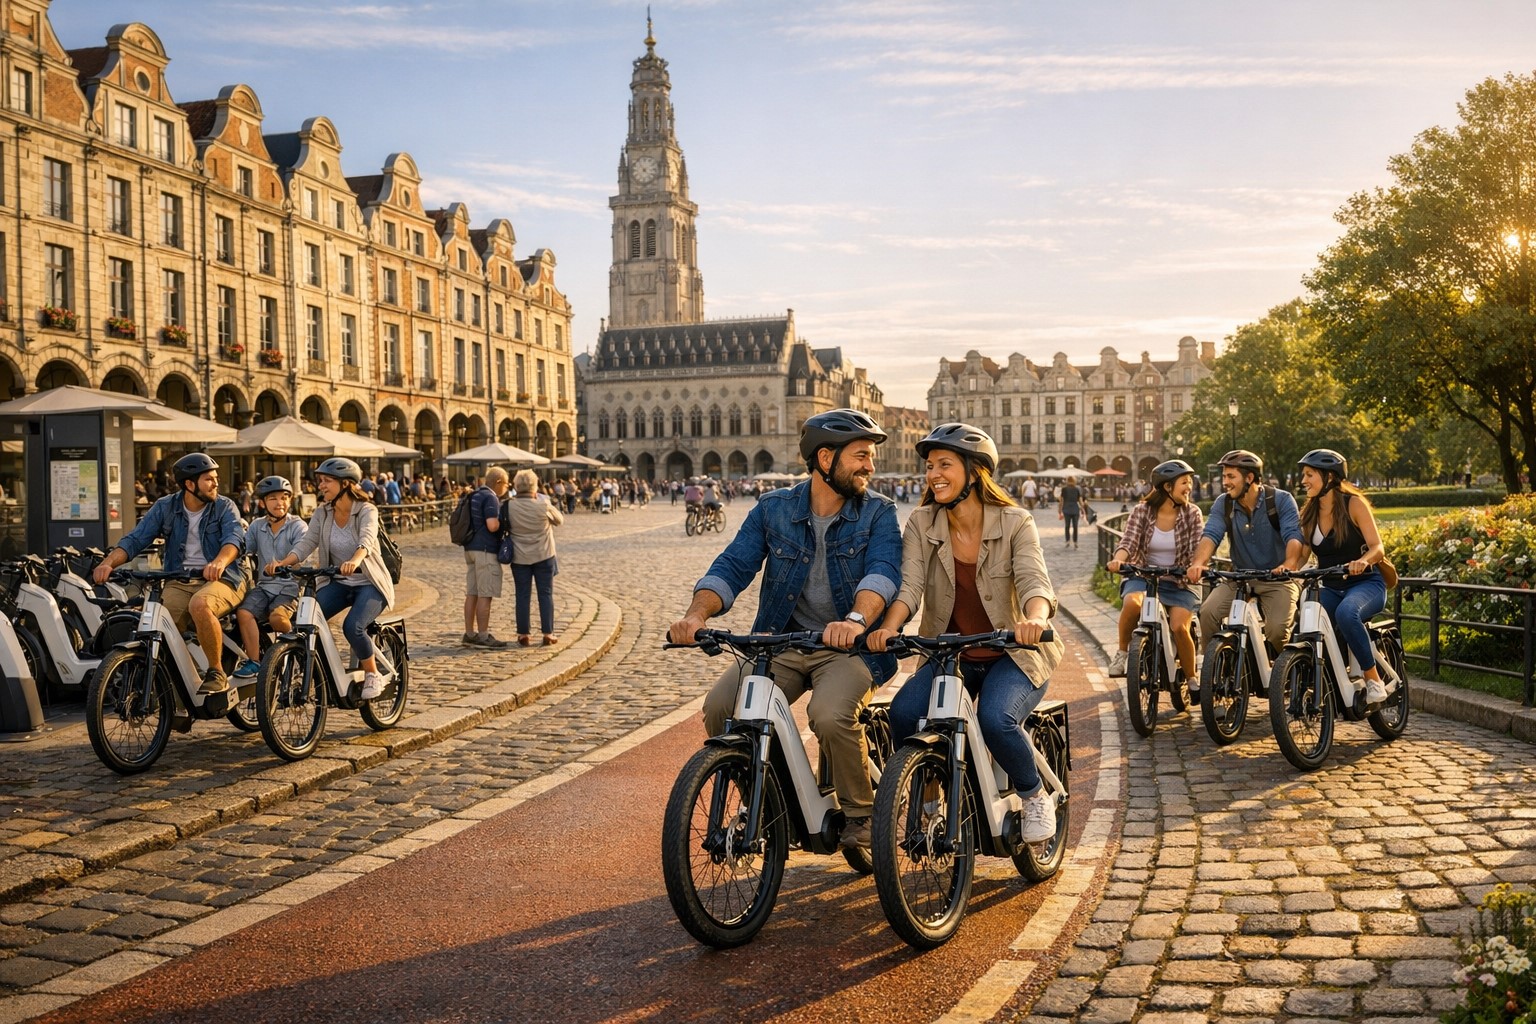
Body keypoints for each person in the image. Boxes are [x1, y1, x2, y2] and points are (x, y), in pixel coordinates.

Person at [669, 408, 901, 853]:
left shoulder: (878, 512)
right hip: (782, 642)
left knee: (830, 716)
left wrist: (854, 620)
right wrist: (696, 615)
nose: (870, 467)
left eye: (871, 457)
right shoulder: (773, 508)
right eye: (862, 456)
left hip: (848, 649)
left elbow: (883, 573)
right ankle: (773, 794)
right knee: (722, 708)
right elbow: (734, 564)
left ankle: (860, 814)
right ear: (825, 458)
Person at [866, 423, 1065, 844]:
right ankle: (930, 801)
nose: (932, 473)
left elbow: (1034, 581)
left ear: (974, 473)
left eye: (944, 464)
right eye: (929, 466)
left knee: (997, 719)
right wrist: (889, 626)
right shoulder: (922, 522)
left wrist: (1035, 618)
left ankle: (1034, 796)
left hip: (1012, 654)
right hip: (950, 654)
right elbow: (910, 587)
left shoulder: (1016, 521)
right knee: (903, 713)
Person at [93, 452, 248, 695]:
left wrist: (219, 562)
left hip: (224, 577)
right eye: (209, 479)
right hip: (179, 579)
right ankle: (175, 696)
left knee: (200, 605)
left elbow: (233, 539)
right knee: (158, 624)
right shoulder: (166, 507)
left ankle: (216, 672)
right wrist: (108, 563)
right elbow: (135, 539)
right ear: (189, 484)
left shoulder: (224, 506)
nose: (216, 483)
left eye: (215, 478)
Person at [267, 458, 395, 700]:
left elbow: (367, 539)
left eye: (327, 481)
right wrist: (283, 563)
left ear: (345, 484)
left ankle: (372, 673)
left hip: (369, 583)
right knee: (304, 623)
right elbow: (306, 543)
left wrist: (356, 560)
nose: (321, 486)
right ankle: (322, 673)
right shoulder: (323, 512)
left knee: (353, 627)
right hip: (338, 582)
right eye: (321, 481)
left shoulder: (366, 510)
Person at [1187, 450, 1304, 681]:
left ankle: (1292, 674)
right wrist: (1198, 563)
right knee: (1207, 613)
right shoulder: (1225, 504)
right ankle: (1218, 674)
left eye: (1231, 477)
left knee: (1276, 631)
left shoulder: (1280, 500)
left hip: (1278, 578)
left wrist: (1289, 564)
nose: (1225, 483)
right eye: (1225, 476)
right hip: (1240, 577)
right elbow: (1211, 534)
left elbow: (1294, 536)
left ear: (1249, 478)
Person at [1294, 448, 1394, 704]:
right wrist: (1287, 569)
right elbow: (1303, 555)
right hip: (1331, 586)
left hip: (1366, 584)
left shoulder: (1354, 504)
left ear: (1329, 477)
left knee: (1346, 613)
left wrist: (1362, 561)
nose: (1303, 480)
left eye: (1309, 475)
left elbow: (1377, 547)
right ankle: (1318, 677)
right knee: (1306, 616)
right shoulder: (1310, 512)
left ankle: (1373, 680)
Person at [1104, 460, 1203, 681]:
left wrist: (1195, 567)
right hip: (1144, 576)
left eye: (1190, 482)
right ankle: (1122, 653)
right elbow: (1128, 542)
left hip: (1180, 581)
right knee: (1132, 603)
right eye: (1184, 482)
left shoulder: (1192, 513)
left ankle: (1191, 678)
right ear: (1168, 487)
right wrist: (1117, 561)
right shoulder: (1142, 511)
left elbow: (1197, 548)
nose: (1190, 487)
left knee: (1179, 627)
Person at [232, 476, 307, 680]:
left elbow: (302, 549)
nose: (279, 503)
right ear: (263, 503)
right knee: (243, 613)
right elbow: (244, 548)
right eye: (273, 498)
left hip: (289, 587)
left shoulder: (297, 526)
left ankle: (298, 651)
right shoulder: (257, 526)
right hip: (265, 586)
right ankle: (254, 661)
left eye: (284, 498)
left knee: (277, 618)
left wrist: (282, 564)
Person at [503, 469, 565, 646]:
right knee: (545, 594)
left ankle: (523, 634)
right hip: (543, 554)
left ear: (516, 486)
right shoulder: (543, 504)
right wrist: (544, 501)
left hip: (520, 556)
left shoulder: (509, 505)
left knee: (522, 595)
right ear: (535, 486)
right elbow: (559, 520)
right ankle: (548, 633)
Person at [462, 466, 510, 648]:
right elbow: (491, 525)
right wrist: (502, 523)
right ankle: (483, 635)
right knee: (485, 594)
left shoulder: (475, 494)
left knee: (472, 593)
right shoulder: (490, 497)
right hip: (485, 551)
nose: (507, 487)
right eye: (506, 483)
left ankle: (469, 633)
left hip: (470, 549)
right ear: (498, 482)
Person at [1059, 475, 1089, 549]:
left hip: (1066, 509)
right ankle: (1075, 542)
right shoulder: (1077, 489)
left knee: (1067, 526)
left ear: (1067, 481)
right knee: (1075, 526)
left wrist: (1059, 510)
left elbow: (1061, 501)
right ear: (1074, 481)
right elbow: (1080, 501)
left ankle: (1067, 541)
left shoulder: (1064, 489)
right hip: (1075, 509)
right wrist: (1083, 508)